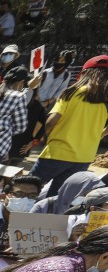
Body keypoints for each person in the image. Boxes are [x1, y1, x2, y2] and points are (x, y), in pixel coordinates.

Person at [30, 56, 108, 196]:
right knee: (56, 199)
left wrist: (44, 135)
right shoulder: (105, 101)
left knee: (27, 189)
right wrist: (94, 136)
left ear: (84, 73)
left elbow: (50, 122)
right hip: (84, 159)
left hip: (57, 152)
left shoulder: (72, 92)